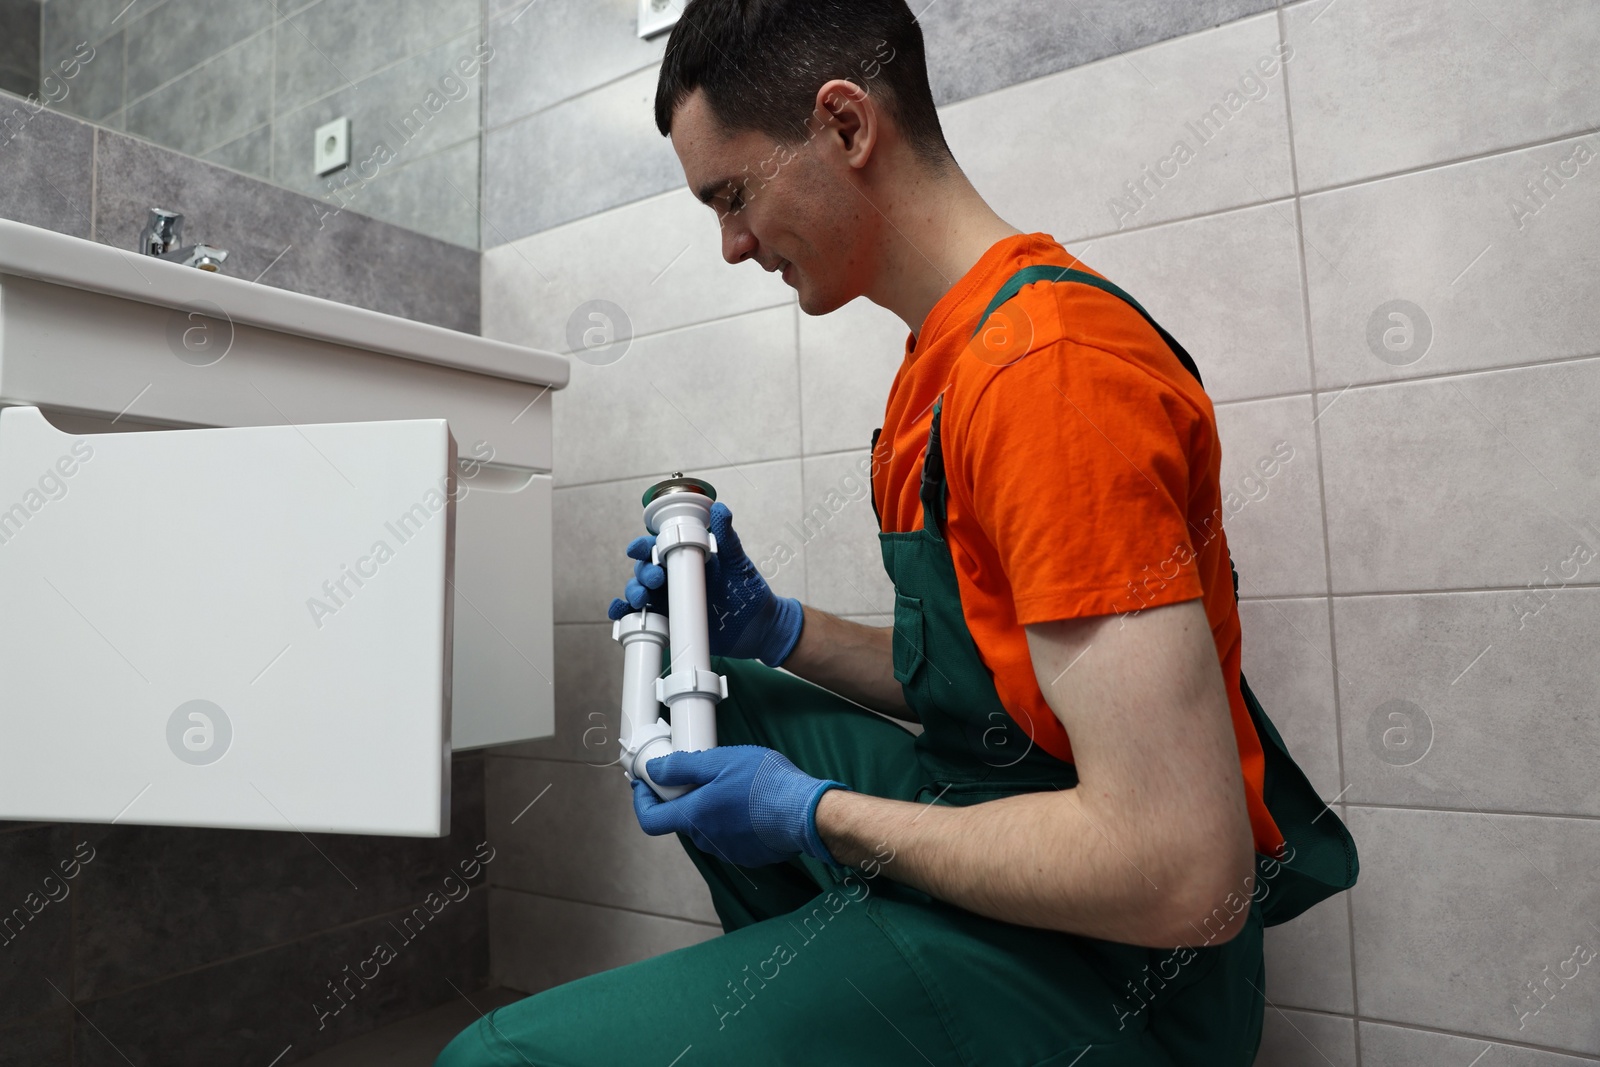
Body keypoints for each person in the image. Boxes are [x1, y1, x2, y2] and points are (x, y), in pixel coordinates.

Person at [437, 1, 1356, 1064]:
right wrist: (773, 627)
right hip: (1016, 824)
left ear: (844, 125)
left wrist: (817, 814)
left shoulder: (1045, 373)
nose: (731, 245)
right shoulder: (945, 358)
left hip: (1123, 968)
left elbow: (1182, 874)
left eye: (732, 197)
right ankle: (853, 995)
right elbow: (995, 687)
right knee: (717, 705)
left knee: (492, 1057)